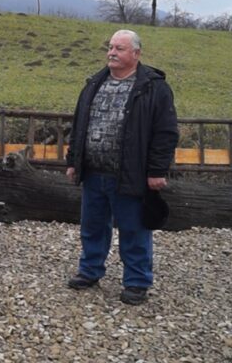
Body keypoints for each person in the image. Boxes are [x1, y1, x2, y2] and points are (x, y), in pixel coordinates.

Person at [64, 29, 179, 305]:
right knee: (92, 227)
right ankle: (90, 270)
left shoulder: (154, 87)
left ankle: (137, 282)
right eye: (111, 47)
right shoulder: (95, 82)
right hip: (93, 172)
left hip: (130, 174)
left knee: (134, 228)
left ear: (136, 54)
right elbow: (80, 124)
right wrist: (73, 161)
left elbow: (166, 132)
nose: (111, 53)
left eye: (120, 49)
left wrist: (157, 171)